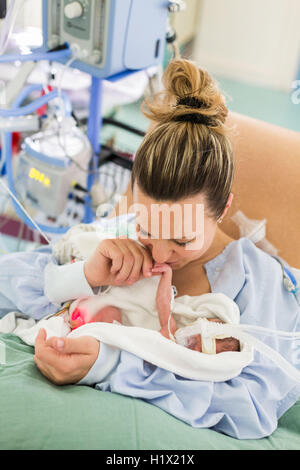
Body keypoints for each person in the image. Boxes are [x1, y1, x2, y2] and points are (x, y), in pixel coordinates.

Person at [0, 58, 300, 439]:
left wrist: (111, 366)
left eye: (180, 240)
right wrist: (84, 276)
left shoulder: (256, 282)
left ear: (223, 208)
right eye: (147, 228)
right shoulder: (113, 236)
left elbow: (251, 406)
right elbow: (7, 283)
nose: (159, 256)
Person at [68, 261, 240, 354]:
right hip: (122, 324)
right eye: (198, 341)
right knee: (110, 312)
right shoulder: (173, 329)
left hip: (126, 344)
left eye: (202, 352)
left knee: (109, 332)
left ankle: (86, 333)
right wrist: (167, 275)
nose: (194, 347)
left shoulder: (174, 346)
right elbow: (164, 302)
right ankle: (87, 327)